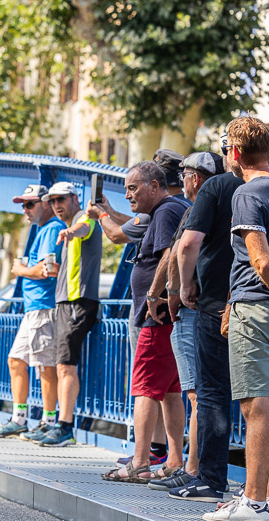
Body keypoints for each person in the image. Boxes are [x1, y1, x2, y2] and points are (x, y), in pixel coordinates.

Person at [202, 117, 269, 521]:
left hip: (257, 308)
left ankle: (253, 502)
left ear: (236, 153)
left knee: (258, 403)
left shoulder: (247, 192)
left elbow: (260, 260)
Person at [95, 162, 186, 482]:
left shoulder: (164, 212)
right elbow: (126, 229)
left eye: (133, 188)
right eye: (126, 188)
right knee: (171, 391)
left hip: (157, 316)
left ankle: (139, 462)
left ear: (154, 185)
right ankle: (174, 460)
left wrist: (154, 294)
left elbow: (168, 255)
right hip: (171, 316)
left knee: (146, 388)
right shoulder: (173, 208)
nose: (127, 194)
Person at [146, 151, 226, 494]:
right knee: (204, 392)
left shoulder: (200, 206)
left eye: (188, 174)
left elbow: (180, 248)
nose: (185, 180)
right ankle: (190, 465)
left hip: (195, 308)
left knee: (197, 392)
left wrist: (171, 292)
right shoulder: (231, 198)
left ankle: (193, 468)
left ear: (194, 178)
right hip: (216, 305)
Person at [0, 184, 64, 439]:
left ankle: (48, 421)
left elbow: (47, 269)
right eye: (23, 205)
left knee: (45, 366)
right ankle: (20, 418)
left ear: (46, 203)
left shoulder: (53, 227)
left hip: (45, 307)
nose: (25, 210)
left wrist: (20, 269)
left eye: (30, 204)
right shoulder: (43, 229)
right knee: (16, 360)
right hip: (34, 308)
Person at [37, 182, 101, 447]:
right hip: (67, 302)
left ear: (76, 198)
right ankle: (57, 423)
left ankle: (65, 426)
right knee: (61, 364)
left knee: (65, 365)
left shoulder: (84, 219)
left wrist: (71, 231)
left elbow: (83, 229)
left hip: (78, 302)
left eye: (61, 199)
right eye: (52, 202)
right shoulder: (69, 226)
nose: (56, 205)